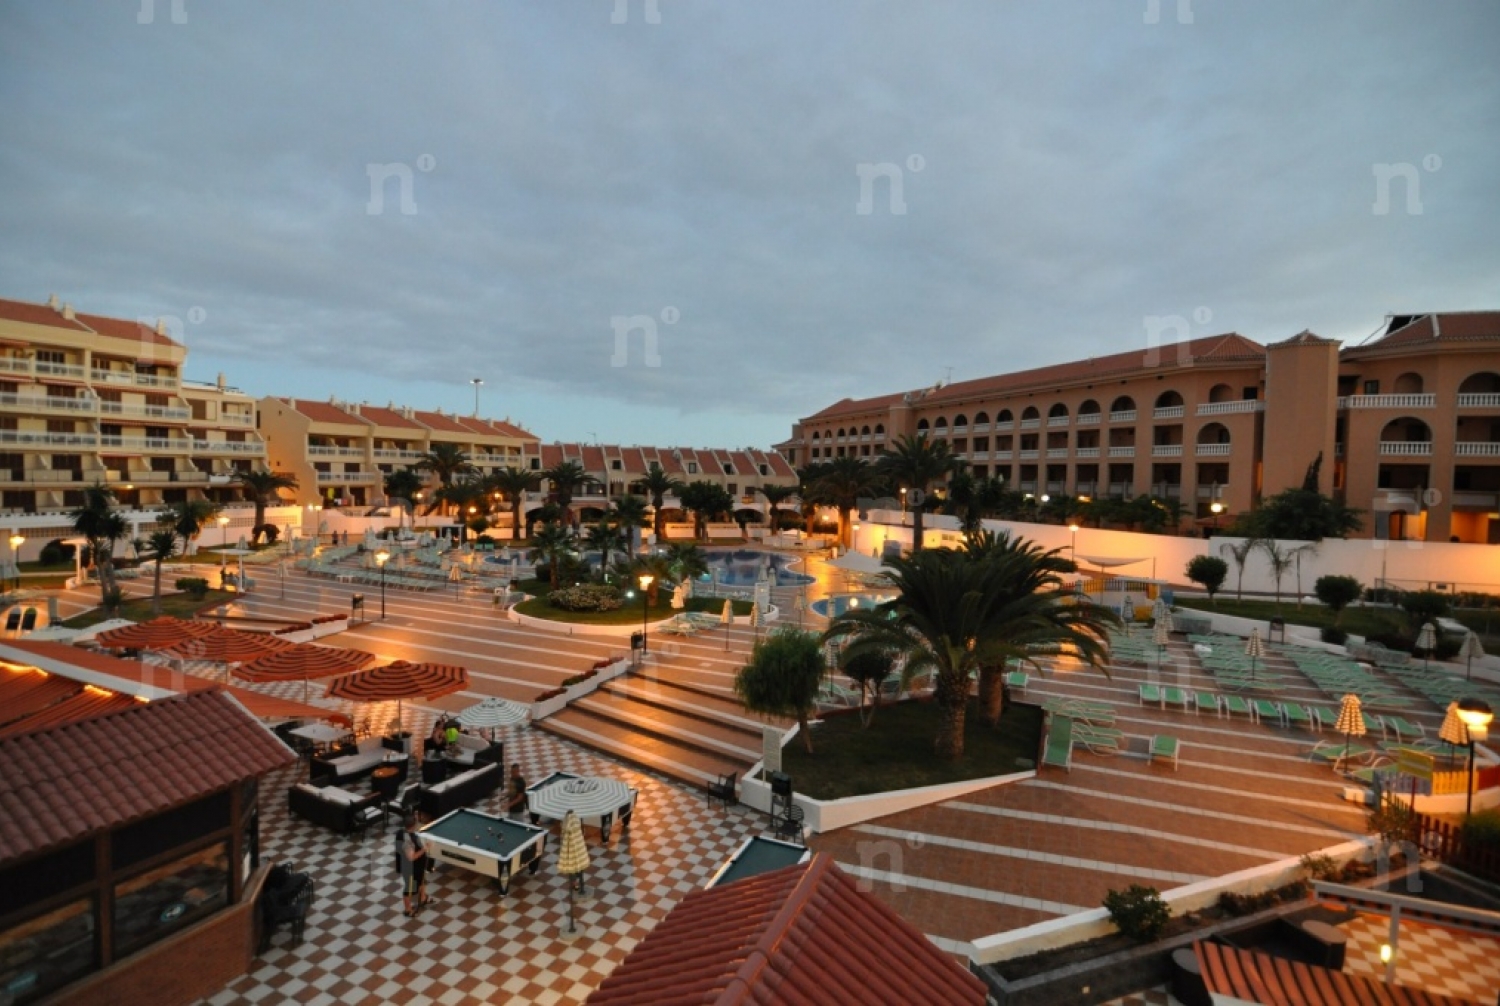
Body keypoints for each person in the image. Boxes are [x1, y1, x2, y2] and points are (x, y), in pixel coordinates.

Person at [396, 814, 431, 917]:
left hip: (417, 867)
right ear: (414, 825)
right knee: (410, 889)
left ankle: (423, 898)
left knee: (421, 881)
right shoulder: (407, 840)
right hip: (410, 869)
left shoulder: (402, 832)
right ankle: (408, 910)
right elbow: (411, 857)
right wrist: (424, 849)